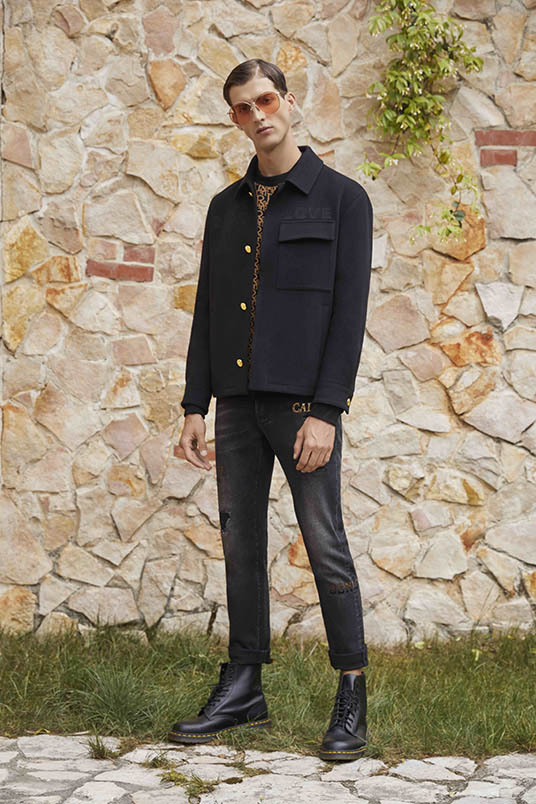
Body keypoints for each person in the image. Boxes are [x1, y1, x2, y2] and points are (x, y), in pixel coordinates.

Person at [168, 58, 373, 762]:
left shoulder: (343, 199)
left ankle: (351, 692)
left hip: (302, 408)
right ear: (234, 119)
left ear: (286, 100)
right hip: (235, 405)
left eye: (264, 100)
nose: (257, 115)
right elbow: (208, 309)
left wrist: (328, 411)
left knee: (324, 541)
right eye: (242, 107)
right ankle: (244, 687)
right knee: (240, 543)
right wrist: (195, 404)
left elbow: (349, 315)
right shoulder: (225, 208)